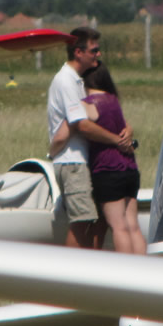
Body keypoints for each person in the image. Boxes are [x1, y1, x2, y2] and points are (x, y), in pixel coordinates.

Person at [46, 28, 132, 248]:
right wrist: (116, 140)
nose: (98, 54)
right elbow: (82, 125)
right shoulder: (66, 81)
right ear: (78, 52)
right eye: (94, 50)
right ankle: (68, 274)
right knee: (81, 221)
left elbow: (88, 119)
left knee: (92, 220)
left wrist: (126, 128)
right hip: (72, 161)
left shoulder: (75, 80)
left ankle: (86, 267)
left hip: (81, 160)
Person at [79, 63, 147, 255]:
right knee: (132, 225)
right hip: (130, 168)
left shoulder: (88, 104)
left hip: (108, 170)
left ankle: (126, 272)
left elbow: (83, 127)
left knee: (119, 227)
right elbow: (126, 126)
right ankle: (144, 269)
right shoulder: (113, 100)